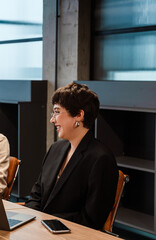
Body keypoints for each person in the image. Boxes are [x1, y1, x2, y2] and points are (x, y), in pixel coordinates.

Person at [25, 82, 118, 230]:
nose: (52, 119)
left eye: (57, 112)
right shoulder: (56, 148)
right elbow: (36, 196)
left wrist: (46, 222)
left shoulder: (101, 158)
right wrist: (32, 221)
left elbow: (91, 219)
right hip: (39, 229)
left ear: (79, 115)